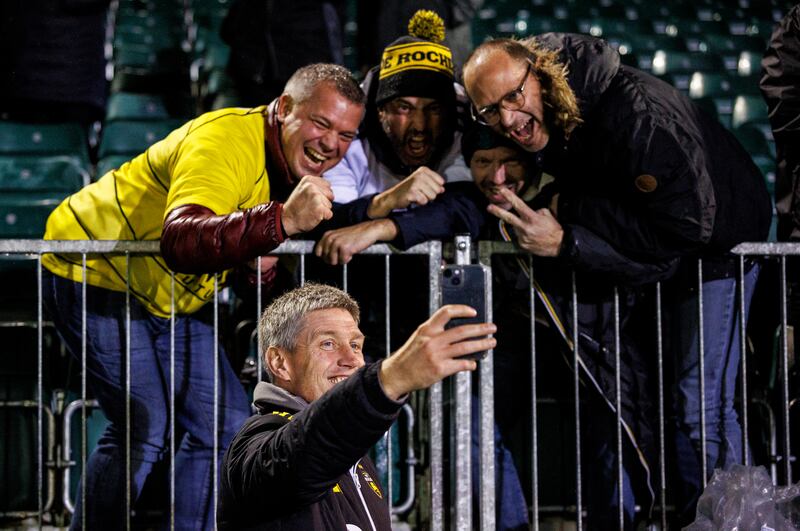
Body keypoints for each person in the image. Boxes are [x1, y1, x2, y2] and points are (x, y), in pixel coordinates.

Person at [462, 33, 772, 527]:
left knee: (700, 407)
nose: (506, 120)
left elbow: (690, 225)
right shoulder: (561, 122)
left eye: (513, 96)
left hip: (716, 256)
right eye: (489, 111)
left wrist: (568, 233)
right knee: (676, 407)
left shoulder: (634, 112)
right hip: (669, 262)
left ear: (539, 77)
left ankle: (739, 523)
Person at [41, 63, 365, 530]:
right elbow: (181, 240)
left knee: (228, 426)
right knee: (143, 425)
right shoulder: (228, 139)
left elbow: (238, 253)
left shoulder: (292, 167)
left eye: (346, 135)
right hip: (94, 270)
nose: (332, 145)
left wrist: (256, 267)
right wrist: (281, 223)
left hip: (170, 296)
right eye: (321, 123)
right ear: (286, 108)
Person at [218, 282, 496, 529]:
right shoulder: (257, 440)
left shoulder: (357, 461)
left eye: (355, 345)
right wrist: (389, 380)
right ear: (280, 362)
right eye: (327, 343)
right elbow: (299, 456)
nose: (351, 359)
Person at [315, 9, 472, 264]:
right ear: (380, 112)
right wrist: (385, 201)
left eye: (433, 109)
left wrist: (381, 226)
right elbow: (327, 215)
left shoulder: (464, 126)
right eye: (404, 108)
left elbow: (467, 207)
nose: (419, 126)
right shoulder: (349, 131)